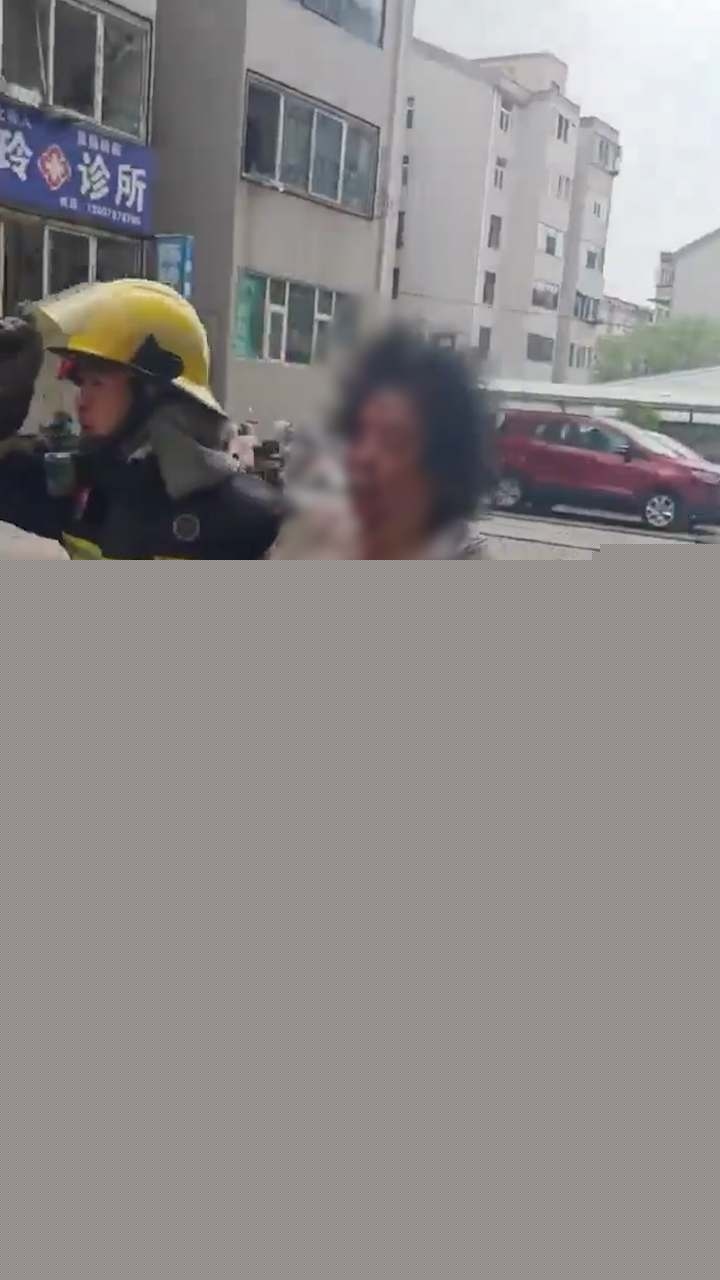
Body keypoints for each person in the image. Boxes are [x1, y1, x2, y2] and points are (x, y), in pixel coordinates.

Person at [0, 280, 283, 559]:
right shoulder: (81, 485)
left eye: (97, 383)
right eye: (81, 384)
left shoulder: (240, 519)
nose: (81, 401)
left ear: (152, 392)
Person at [273, 327, 496, 559]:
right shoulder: (313, 538)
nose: (363, 456)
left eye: (392, 441)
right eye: (358, 434)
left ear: (443, 469)